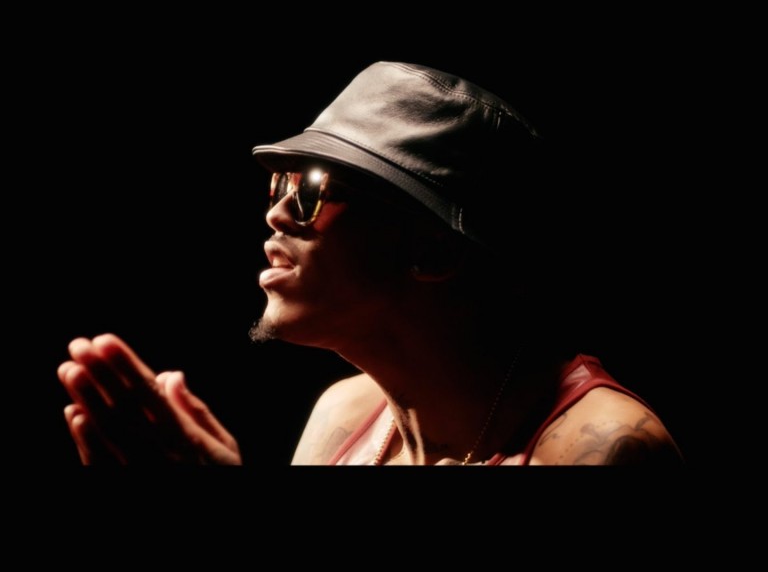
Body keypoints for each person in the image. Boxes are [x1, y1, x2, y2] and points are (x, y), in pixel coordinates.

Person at [56, 61, 683, 465]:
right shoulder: (345, 416)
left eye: (314, 188)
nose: (278, 213)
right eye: (280, 185)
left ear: (434, 250)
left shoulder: (603, 449)